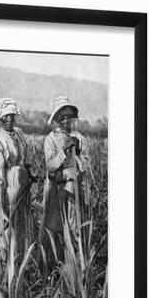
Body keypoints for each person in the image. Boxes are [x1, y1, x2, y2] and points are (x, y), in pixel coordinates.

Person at [41, 95, 90, 263]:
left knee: (76, 226)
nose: (66, 120)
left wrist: (76, 153)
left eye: (69, 116)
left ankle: (76, 265)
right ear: (57, 119)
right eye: (62, 117)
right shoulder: (51, 139)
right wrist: (65, 151)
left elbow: (85, 166)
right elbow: (51, 166)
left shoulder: (80, 139)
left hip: (75, 190)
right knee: (57, 228)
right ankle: (56, 265)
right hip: (57, 190)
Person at [0, 98, 33, 263]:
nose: (10, 119)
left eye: (12, 115)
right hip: (5, 192)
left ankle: (20, 264)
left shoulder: (18, 134)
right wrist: (2, 207)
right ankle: (2, 267)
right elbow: (1, 176)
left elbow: (25, 160)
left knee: (20, 229)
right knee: (5, 230)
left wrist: (29, 175)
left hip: (20, 191)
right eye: (6, 116)